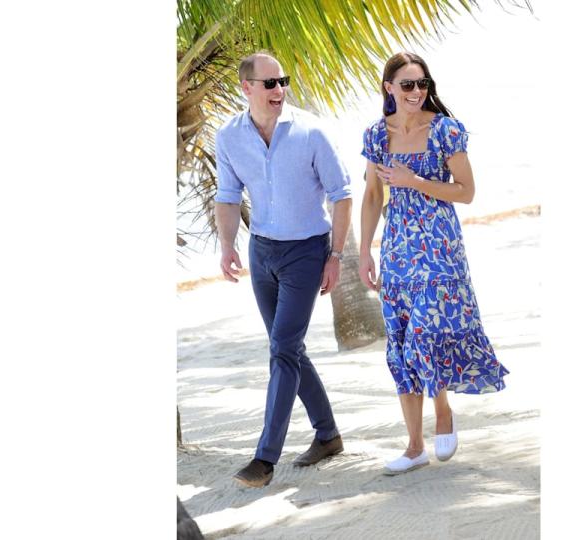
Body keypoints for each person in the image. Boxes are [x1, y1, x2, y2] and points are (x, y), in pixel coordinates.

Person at [358, 52, 509, 475]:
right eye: (407, 84)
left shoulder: (445, 131)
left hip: (441, 252)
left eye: (422, 84)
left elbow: (466, 191)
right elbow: (372, 196)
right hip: (397, 252)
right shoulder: (376, 136)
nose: (416, 92)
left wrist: (415, 181)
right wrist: (364, 250)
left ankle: (442, 412)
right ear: (388, 87)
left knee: (426, 336)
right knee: (402, 344)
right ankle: (413, 446)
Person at [214, 51, 353, 488]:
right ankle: (328, 434)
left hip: (307, 253)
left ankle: (264, 459)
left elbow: (342, 194)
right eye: (269, 83)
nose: (279, 90)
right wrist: (226, 247)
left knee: (282, 350)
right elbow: (228, 194)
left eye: (283, 82)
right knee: (288, 348)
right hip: (261, 253)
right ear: (247, 88)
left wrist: (335, 256)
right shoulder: (229, 136)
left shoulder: (311, 132)